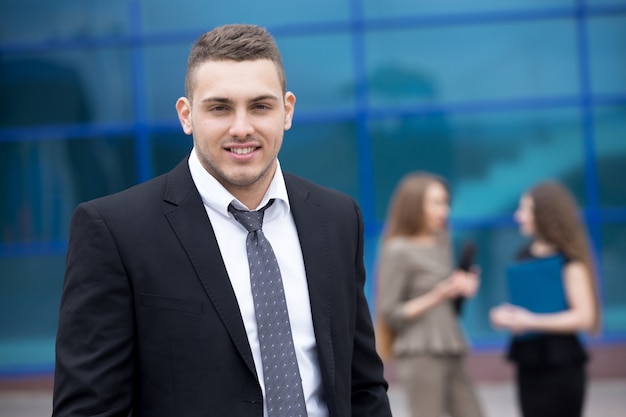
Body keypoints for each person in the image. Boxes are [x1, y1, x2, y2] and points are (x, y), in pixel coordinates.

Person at [52, 24, 392, 417]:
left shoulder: (336, 218)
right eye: (220, 107)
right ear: (186, 115)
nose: (242, 127)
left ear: (287, 110)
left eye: (260, 106)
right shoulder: (114, 231)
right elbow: (88, 409)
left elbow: (363, 385)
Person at [376, 172, 484, 417]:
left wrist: (461, 290)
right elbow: (390, 312)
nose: (444, 210)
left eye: (446, 202)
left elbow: (447, 304)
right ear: (415, 206)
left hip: (452, 345)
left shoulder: (441, 241)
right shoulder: (397, 250)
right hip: (420, 351)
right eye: (436, 203)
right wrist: (440, 293)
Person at [490, 180, 600, 417]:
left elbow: (584, 317)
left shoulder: (569, 261)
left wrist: (530, 321)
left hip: (561, 365)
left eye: (525, 210)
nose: (518, 217)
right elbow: (527, 307)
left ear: (545, 214)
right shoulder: (522, 256)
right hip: (529, 362)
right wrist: (506, 317)